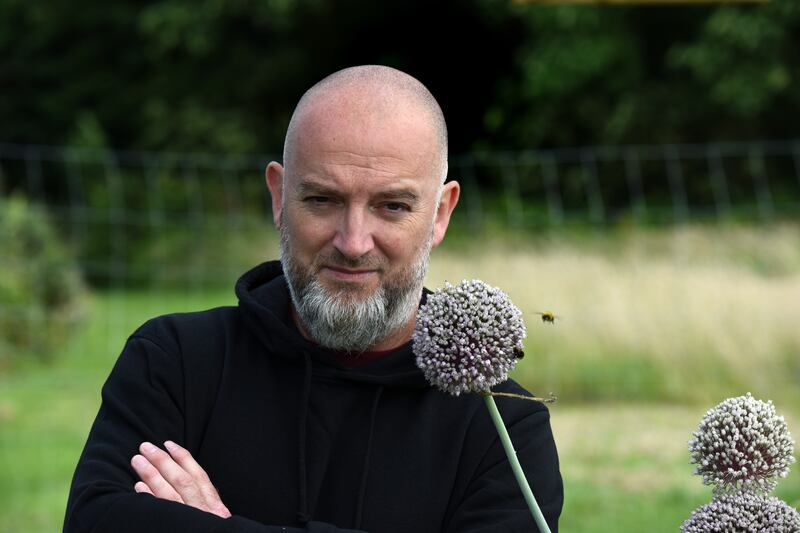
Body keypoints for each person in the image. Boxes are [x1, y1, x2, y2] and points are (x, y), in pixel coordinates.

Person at [63, 65, 563, 532]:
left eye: (391, 206)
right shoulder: (175, 362)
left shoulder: (504, 426)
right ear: (279, 197)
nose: (353, 242)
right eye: (323, 199)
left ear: (439, 214)